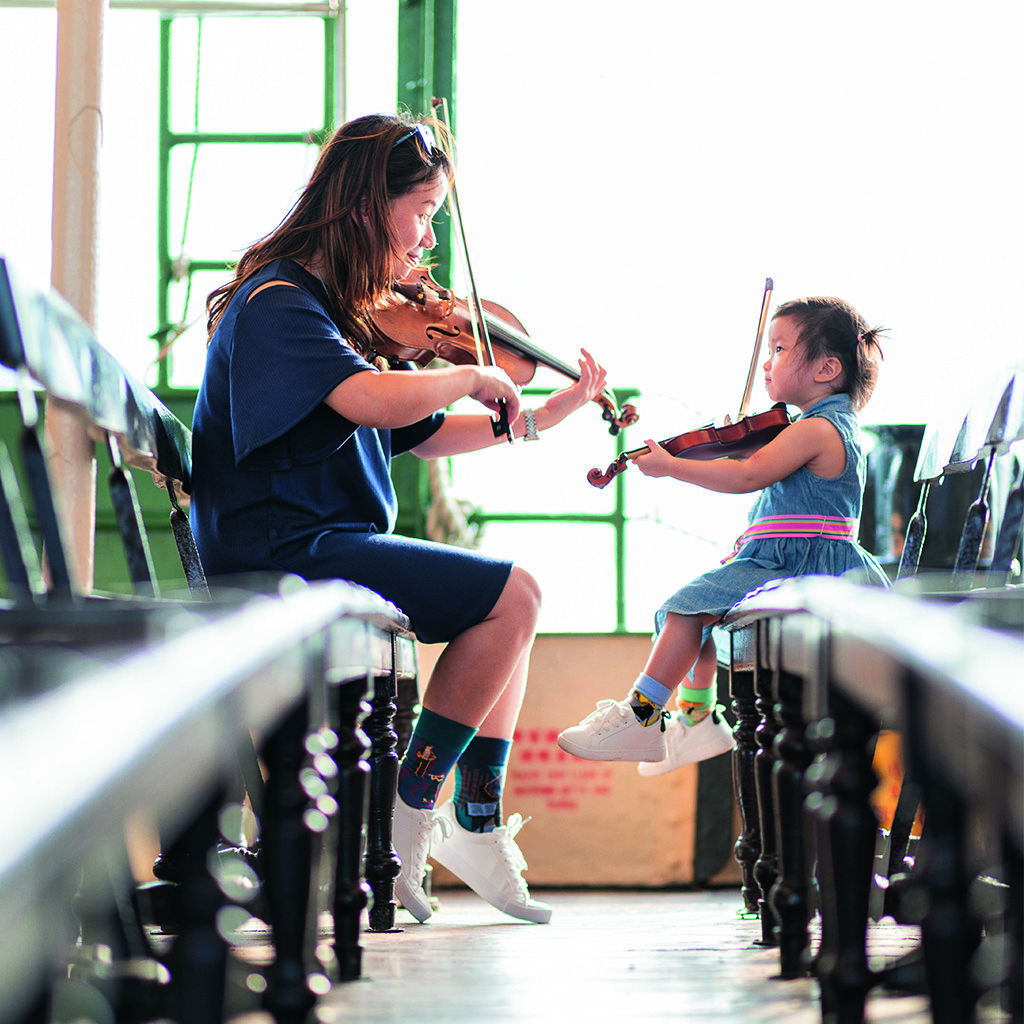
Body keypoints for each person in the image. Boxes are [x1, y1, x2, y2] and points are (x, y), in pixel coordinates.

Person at [190, 113, 609, 924]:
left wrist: (546, 412)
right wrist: (467, 375)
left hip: (323, 544)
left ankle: (474, 820)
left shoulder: (331, 310)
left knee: (511, 603)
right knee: (513, 597)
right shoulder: (280, 301)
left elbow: (421, 435)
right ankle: (412, 811)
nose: (425, 245)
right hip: (284, 551)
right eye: (420, 214)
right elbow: (374, 399)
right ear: (360, 206)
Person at [557, 296, 889, 774]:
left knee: (684, 608)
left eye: (778, 348)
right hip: (792, 557)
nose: (766, 363)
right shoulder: (817, 426)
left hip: (797, 564)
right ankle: (695, 718)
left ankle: (645, 714)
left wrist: (672, 466)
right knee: (699, 610)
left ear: (826, 368)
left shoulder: (817, 429)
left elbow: (746, 476)